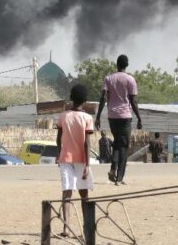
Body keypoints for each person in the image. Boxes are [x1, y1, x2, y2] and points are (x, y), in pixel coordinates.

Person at [95, 54, 142, 186]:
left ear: (117, 64)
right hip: (125, 117)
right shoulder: (130, 80)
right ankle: (119, 178)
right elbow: (133, 101)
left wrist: (98, 116)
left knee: (117, 143)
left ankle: (112, 169)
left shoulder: (109, 78)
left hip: (112, 116)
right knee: (124, 147)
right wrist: (139, 117)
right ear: (126, 65)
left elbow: (103, 98)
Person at [56, 83, 94, 238]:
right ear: (85, 100)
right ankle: (86, 227)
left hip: (65, 159)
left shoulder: (63, 116)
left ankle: (66, 227)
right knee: (84, 195)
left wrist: (59, 155)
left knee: (66, 193)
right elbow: (87, 143)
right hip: (81, 160)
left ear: (71, 98)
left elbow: (58, 140)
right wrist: (88, 164)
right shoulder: (87, 118)